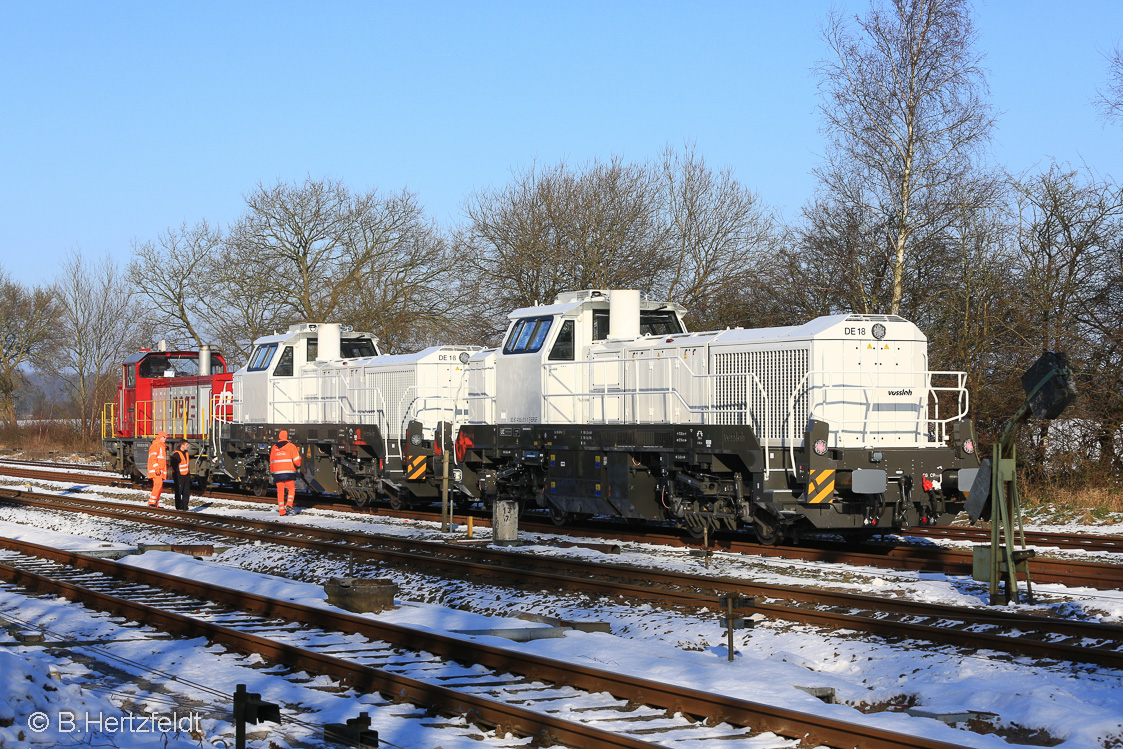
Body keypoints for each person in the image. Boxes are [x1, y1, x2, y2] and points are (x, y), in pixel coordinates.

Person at [269, 429, 302, 516]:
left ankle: (281, 510)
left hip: (277, 474)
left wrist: (272, 472)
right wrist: (299, 464)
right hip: (288, 473)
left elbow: (271, 461)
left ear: (279, 437)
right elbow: (297, 461)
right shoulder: (291, 446)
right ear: (287, 436)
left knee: (280, 491)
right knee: (291, 489)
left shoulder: (274, 447)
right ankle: (289, 504)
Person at [146, 431, 168, 507]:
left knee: (159, 485)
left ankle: (155, 503)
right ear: (160, 437)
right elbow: (153, 457)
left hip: (159, 470)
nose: (165, 439)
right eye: (164, 437)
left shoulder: (161, 446)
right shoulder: (156, 445)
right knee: (158, 484)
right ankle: (151, 502)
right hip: (156, 470)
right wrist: (156, 468)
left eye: (166, 437)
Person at [169, 441, 191, 511]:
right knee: (179, 492)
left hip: (186, 475)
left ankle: (185, 507)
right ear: (182, 445)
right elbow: (174, 466)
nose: (187, 446)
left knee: (186, 492)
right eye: (186, 445)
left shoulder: (186, 453)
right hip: (179, 476)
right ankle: (178, 507)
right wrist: (177, 474)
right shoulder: (176, 454)